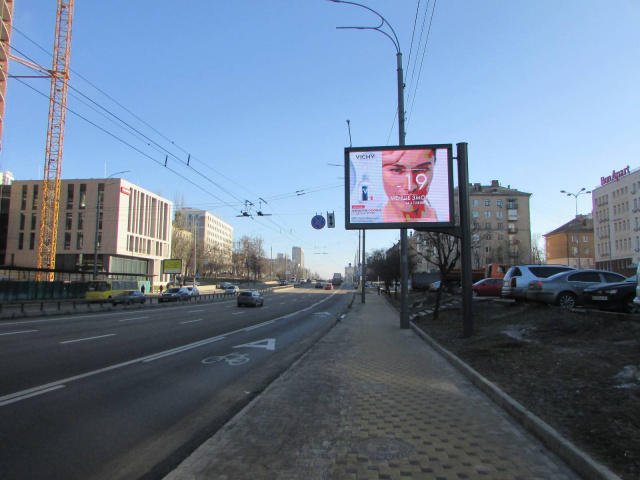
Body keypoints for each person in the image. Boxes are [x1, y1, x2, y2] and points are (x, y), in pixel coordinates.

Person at [381, 148, 438, 222]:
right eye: (397, 170)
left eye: (422, 170)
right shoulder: (370, 217)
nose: (410, 187)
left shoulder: (446, 217)